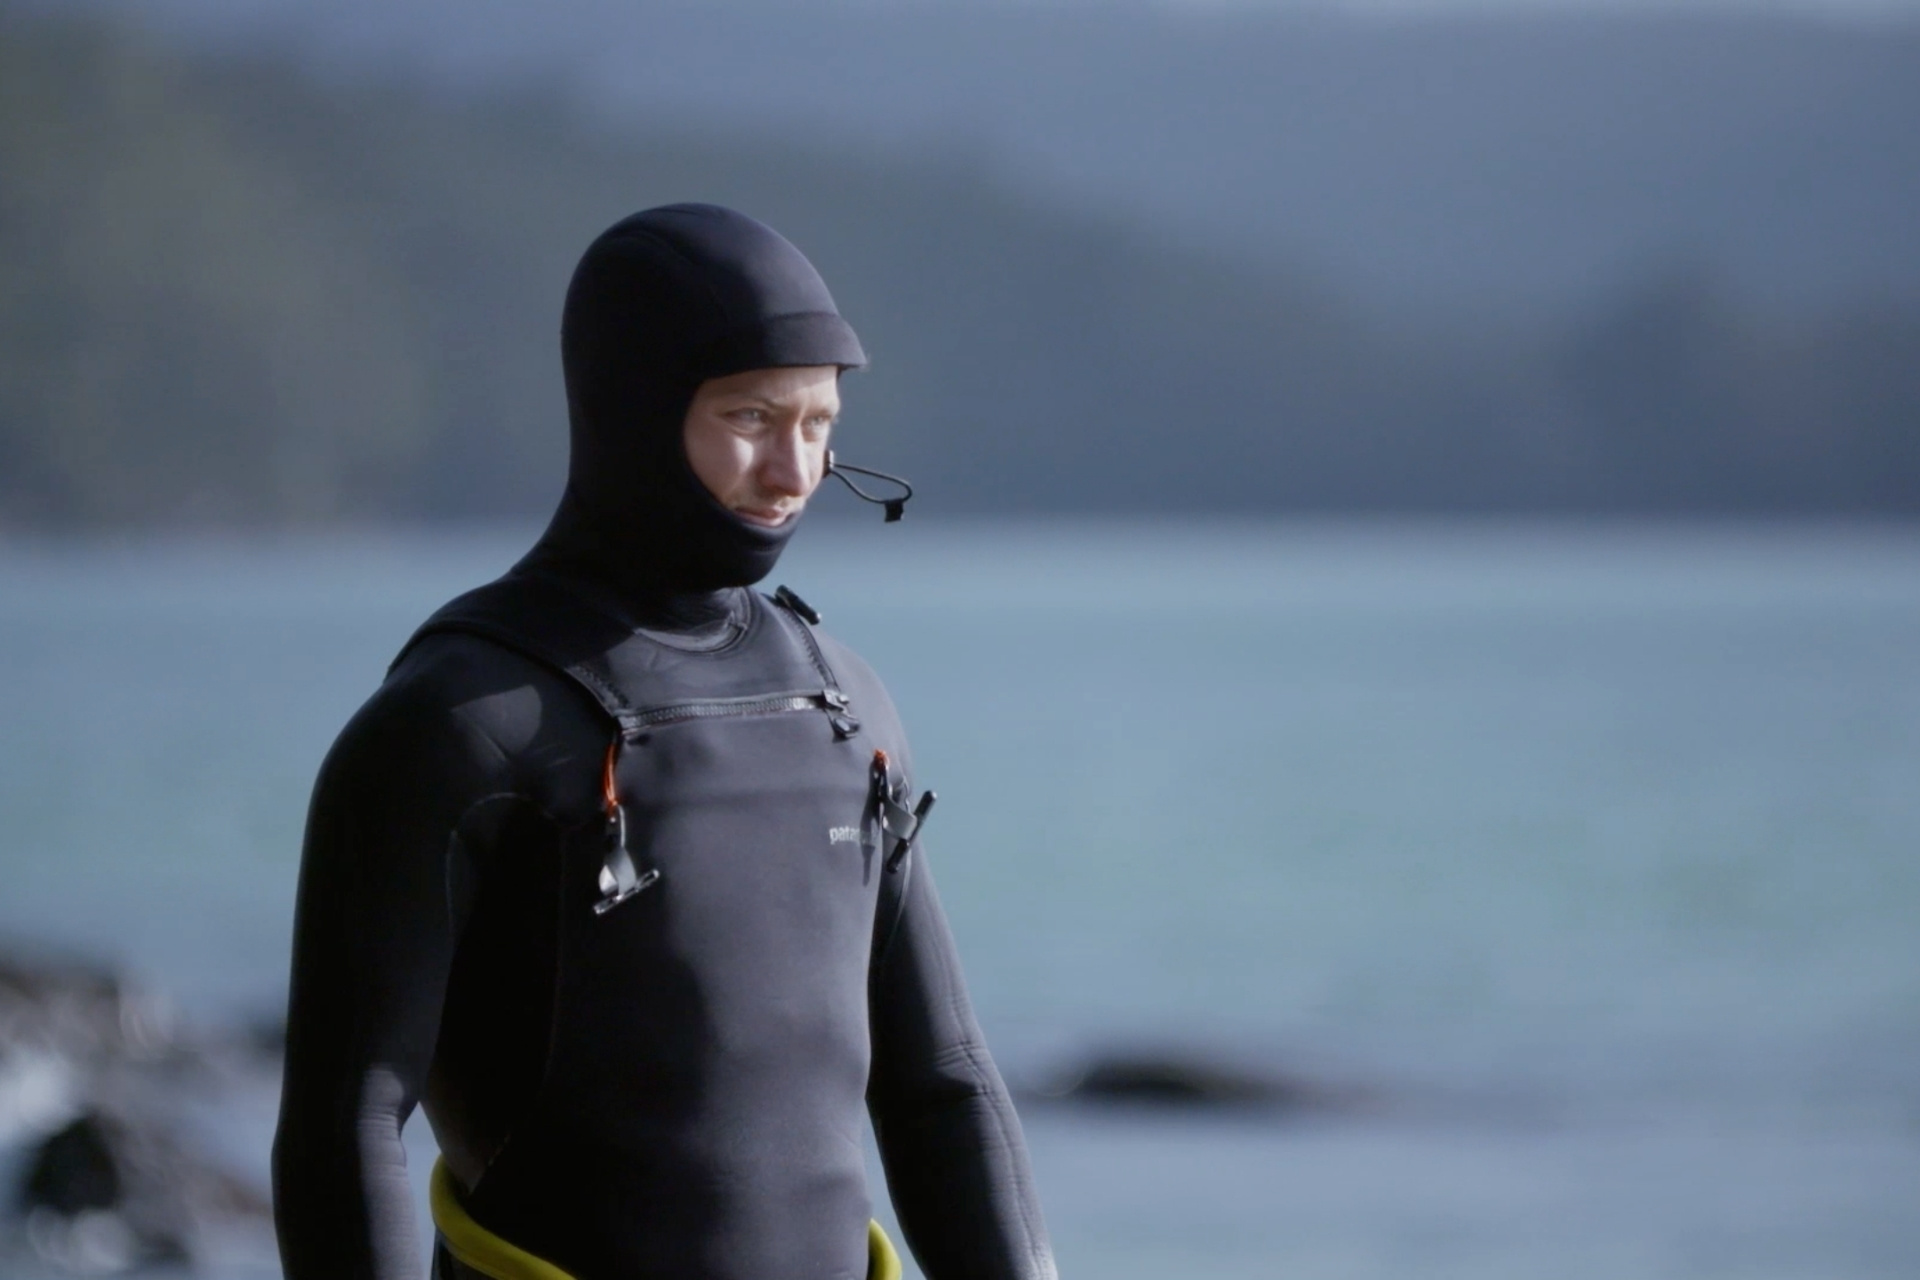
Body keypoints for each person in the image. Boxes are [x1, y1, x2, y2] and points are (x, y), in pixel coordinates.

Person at [271, 204, 1056, 1280]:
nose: (794, 470)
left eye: (820, 422)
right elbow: (346, 1123)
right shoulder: (462, 725)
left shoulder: (844, 707)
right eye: (751, 417)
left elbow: (944, 1083)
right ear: (629, 411)